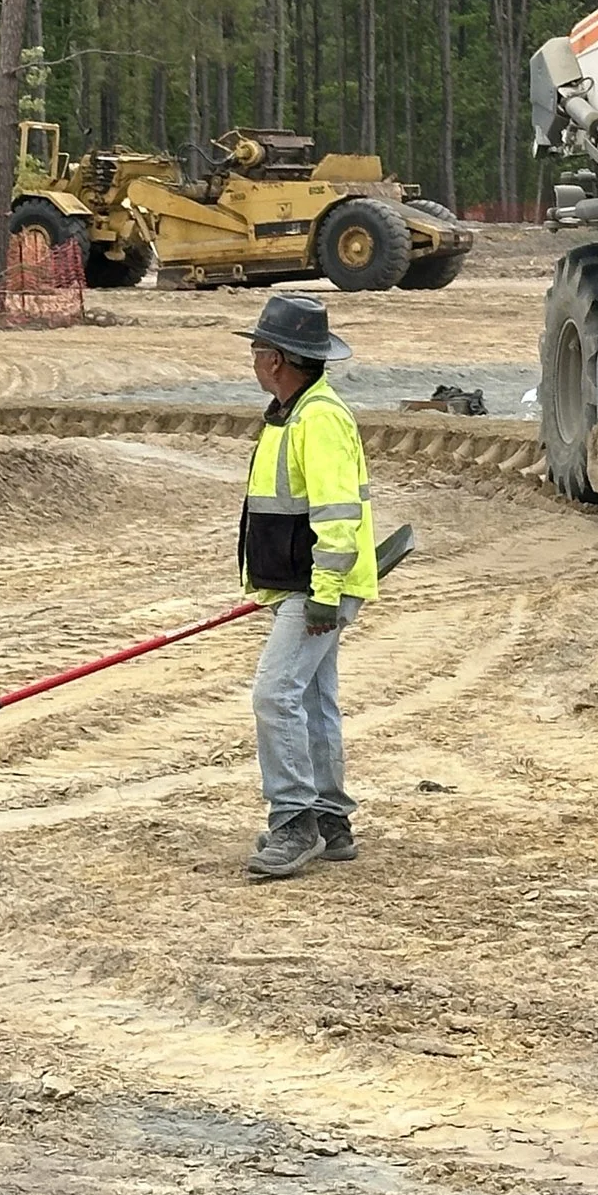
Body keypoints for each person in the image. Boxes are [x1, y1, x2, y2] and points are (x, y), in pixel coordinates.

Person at [236, 292, 379, 880]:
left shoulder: (317, 418)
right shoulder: (293, 413)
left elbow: (337, 514)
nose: (252, 359)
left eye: (257, 349)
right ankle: (329, 819)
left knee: (275, 695)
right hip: (304, 584)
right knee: (313, 700)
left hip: (317, 586)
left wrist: (323, 591)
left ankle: (293, 821)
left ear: (277, 360)